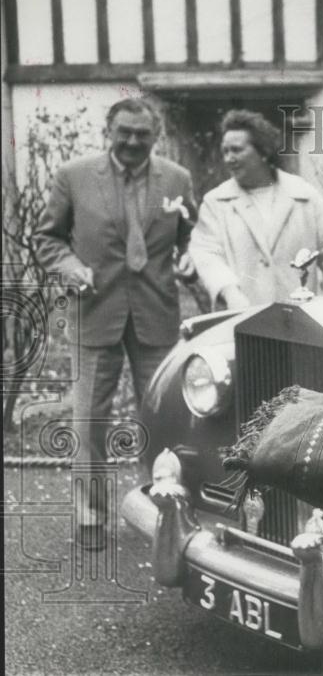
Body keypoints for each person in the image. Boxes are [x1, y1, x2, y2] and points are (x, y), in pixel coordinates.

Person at [35, 97, 197, 550]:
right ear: (109, 131)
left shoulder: (178, 180)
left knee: (166, 419)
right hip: (95, 310)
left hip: (156, 312)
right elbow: (46, 237)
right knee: (89, 419)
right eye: (123, 131)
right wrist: (69, 267)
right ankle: (90, 516)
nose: (131, 141)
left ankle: (166, 510)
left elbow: (192, 239)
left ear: (155, 135)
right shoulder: (74, 176)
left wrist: (187, 260)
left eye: (141, 134)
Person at [189, 109, 323, 309]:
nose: (228, 158)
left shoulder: (304, 195)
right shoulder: (216, 202)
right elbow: (206, 254)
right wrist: (229, 292)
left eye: (237, 150)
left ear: (264, 151)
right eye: (225, 151)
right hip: (244, 319)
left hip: (302, 319)